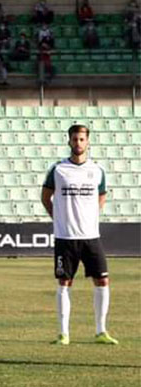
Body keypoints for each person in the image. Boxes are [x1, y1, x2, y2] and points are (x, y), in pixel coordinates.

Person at [42, 125, 116, 345]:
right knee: (64, 282)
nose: (78, 143)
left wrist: (91, 214)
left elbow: (101, 196)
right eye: (75, 139)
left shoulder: (97, 170)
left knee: (102, 280)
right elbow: (46, 197)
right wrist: (57, 218)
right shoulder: (58, 169)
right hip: (65, 237)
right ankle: (63, 333)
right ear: (69, 142)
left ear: (88, 142)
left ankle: (101, 330)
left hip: (91, 236)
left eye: (82, 139)